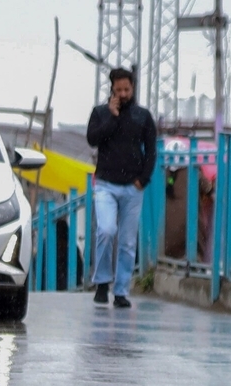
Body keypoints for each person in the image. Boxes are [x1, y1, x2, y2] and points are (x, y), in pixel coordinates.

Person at [86, 67, 158, 309]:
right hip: (106, 183)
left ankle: (121, 291)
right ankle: (102, 282)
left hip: (132, 188)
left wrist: (142, 180)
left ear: (133, 88)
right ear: (112, 89)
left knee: (127, 242)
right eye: (119, 90)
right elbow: (93, 139)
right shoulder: (100, 113)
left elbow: (151, 151)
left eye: (127, 89)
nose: (124, 93)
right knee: (106, 230)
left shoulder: (142, 116)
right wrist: (112, 117)